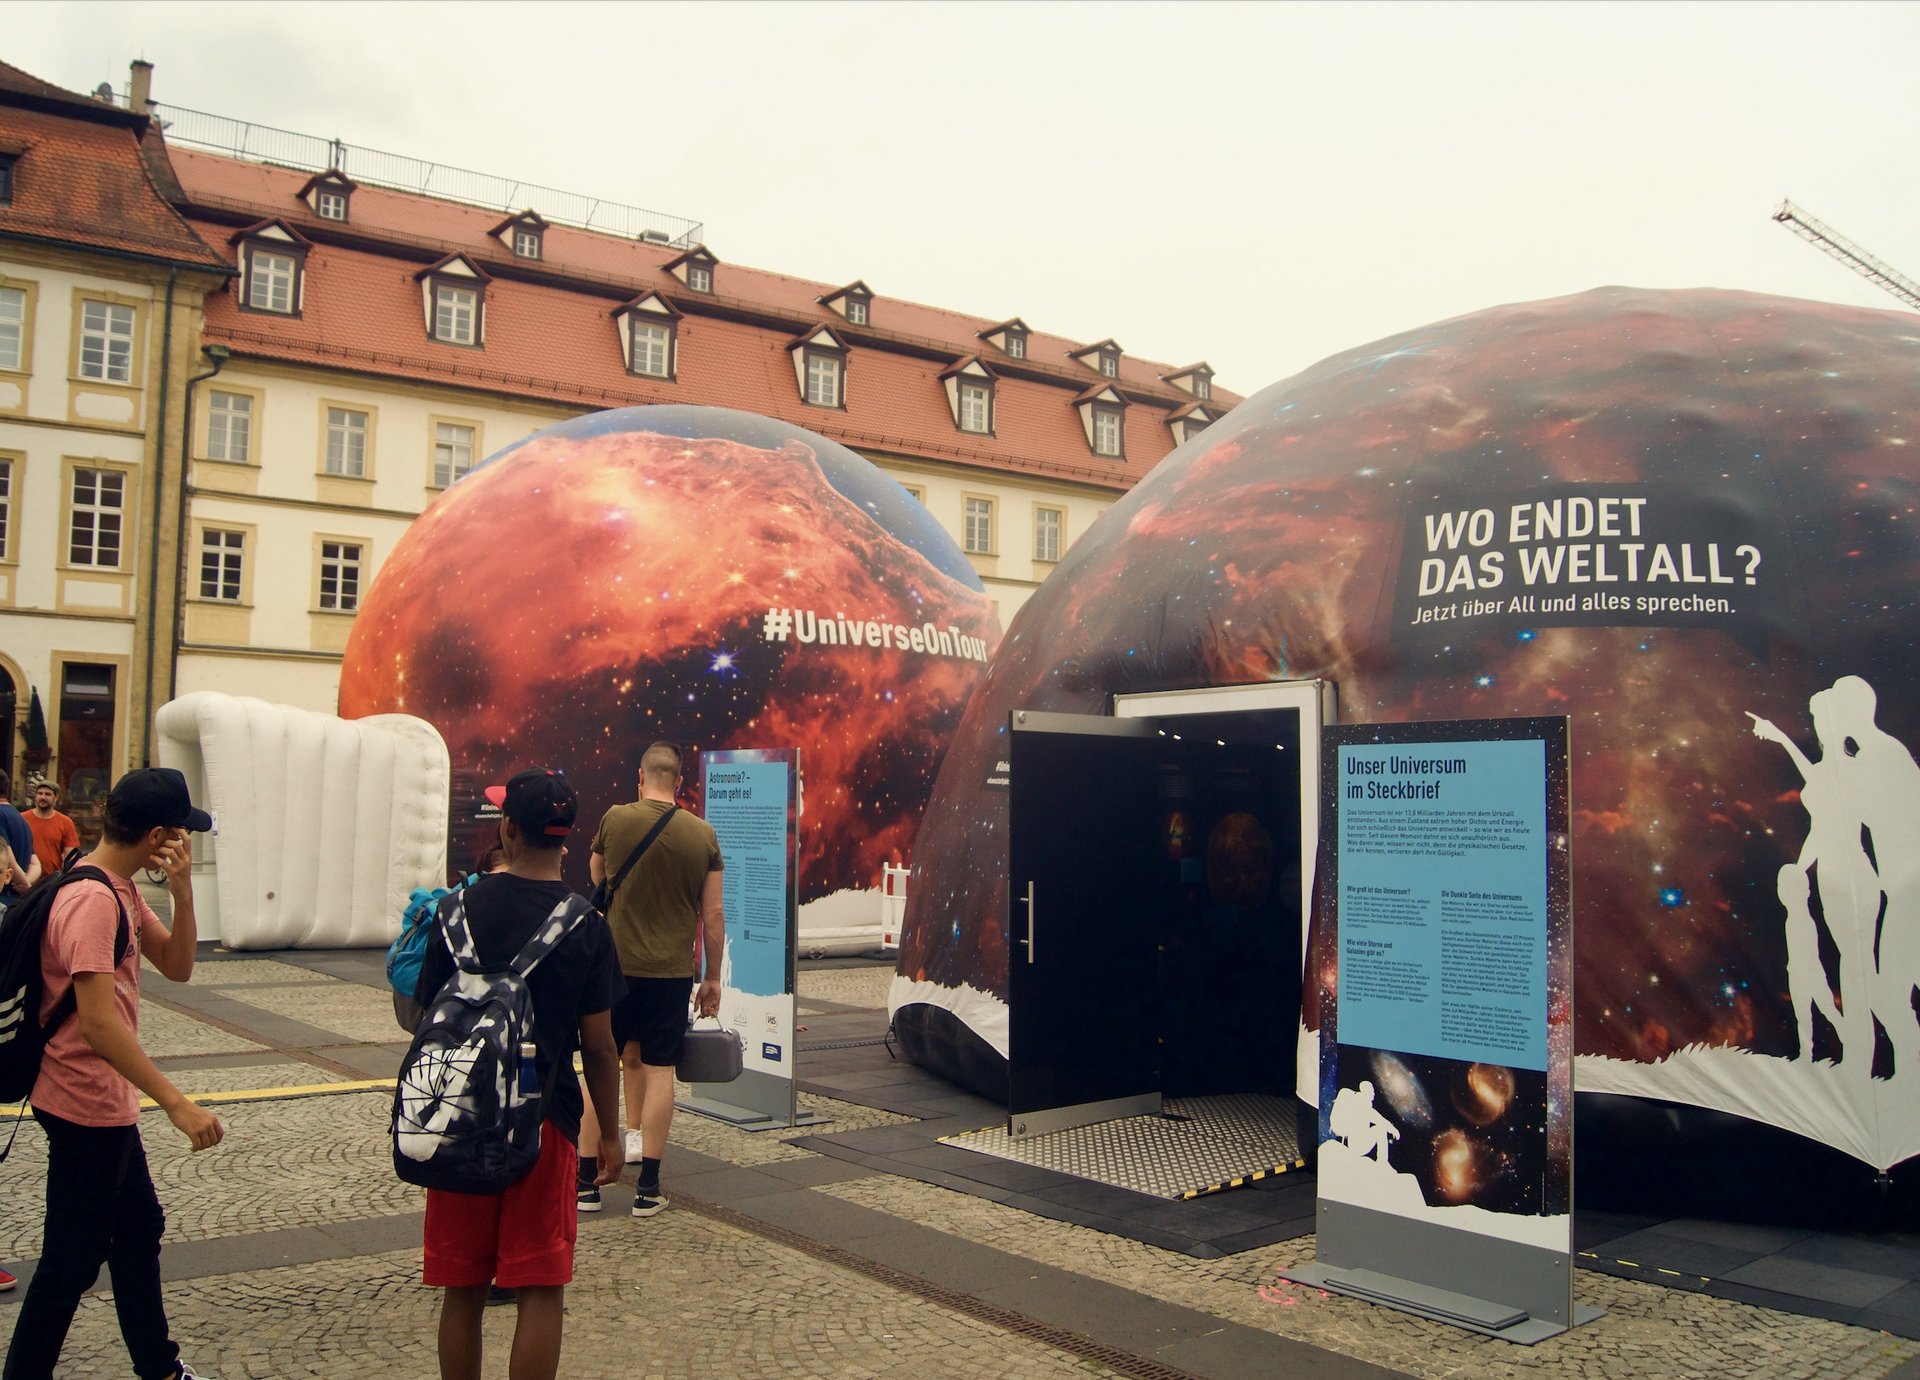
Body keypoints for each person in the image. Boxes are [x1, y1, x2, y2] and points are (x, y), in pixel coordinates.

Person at [3, 767, 224, 1380]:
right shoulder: (92, 899)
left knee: (134, 1232)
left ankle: (160, 1368)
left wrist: (181, 891)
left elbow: (177, 966)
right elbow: (99, 1025)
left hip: (99, 1098)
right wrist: (176, 1103)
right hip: (81, 1098)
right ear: (158, 835)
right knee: (71, 1260)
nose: (185, 843)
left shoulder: (119, 889)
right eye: (181, 835)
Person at [410, 768, 624, 1380]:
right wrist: (607, 1134)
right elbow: (600, 1048)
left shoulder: (454, 911)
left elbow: (426, 1017)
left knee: (463, 1287)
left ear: (507, 828)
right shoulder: (585, 924)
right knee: (540, 1288)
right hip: (545, 1124)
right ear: (568, 839)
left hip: (458, 1115)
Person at [584, 741, 724, 1219]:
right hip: (669, 974)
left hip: (612, 971)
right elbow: (714, 915)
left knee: (598, 1066)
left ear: (640, 777)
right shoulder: (701, 834)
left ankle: (586, 1181)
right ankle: (648, 1187)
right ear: (680, 783)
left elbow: (599, 877)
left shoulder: (615, 819)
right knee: (661, 1070)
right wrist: (712, 979)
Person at [0, 770, 42, 908]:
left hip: (3, 898)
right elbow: (35, 863)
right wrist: (26, 886)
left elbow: (7, 858)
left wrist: (27, 888)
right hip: (16, 902)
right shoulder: (20, 818)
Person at [24, 780, 80, 881]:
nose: (43, 797)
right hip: (25, 879)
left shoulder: (65, 822)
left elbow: (71, 858)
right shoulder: (22, 819)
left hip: (50, 881)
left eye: (48, 794)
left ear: (56, 798)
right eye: (40, 793)